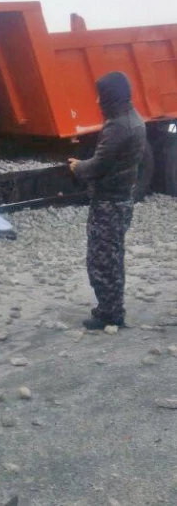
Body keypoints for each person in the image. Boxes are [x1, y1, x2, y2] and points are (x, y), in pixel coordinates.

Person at [69, 71, 146, 329]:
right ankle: (113, 308)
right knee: (113, 256)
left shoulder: (118, 126)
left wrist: (78, 167)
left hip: (108, 203)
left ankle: (109, 313)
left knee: (102, 260)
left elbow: (100, 164)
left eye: (100, 96)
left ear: (110, 96)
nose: (97, 102)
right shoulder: (134, 119)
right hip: (122, 199)